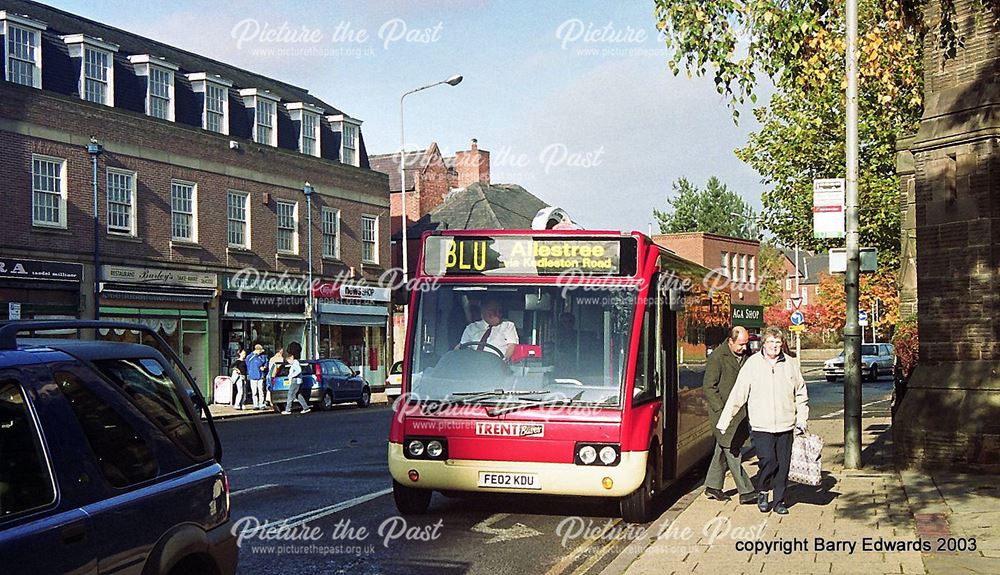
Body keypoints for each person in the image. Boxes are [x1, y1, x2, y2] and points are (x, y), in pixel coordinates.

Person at [716, 326, 809, 515]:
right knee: (768, 461)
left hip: (786, 423)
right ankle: (763, 491)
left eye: (778, 342)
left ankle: (779, 500)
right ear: (763, 344)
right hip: (761, 425)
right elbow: (738, 394)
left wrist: (802, 420)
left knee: (783, 465)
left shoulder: (791, 364)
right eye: (770, 342)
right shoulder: (752, 364)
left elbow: (801, 394)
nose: (774, 346)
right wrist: (724, 421)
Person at [702, 326, 757, 505]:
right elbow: (709, 387)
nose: (744, 348)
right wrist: (722, 409)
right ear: (731, 341)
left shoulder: (746, 357)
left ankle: (712, 486)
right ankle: (746, 491)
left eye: (746, 344)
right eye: (741, 344)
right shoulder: (718, 357)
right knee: (732, 451)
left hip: (740, 414)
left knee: (722, 448)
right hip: (723, 415)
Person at [281, 343, 310, 415]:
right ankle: (306, 408)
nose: (289, 362)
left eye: (289, 360)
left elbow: (298, 371)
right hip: (298, 381)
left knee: (290, 395)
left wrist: (292, 376)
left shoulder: (295, 363)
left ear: (292, 357)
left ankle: (288, 409)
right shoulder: (295, 363)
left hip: (295, 381)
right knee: (298, 395)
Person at [246, 344, 269, 410]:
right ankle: (255, 405)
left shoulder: (263, 357)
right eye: (260, 351)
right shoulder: (250, 357)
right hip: (253, 376)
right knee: (254, 392)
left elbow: (266, 363)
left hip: (260, 376)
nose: (261, 352)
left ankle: (261, 404)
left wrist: (264, 367)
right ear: (257, 350)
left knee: (261, 391)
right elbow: (247, 365)